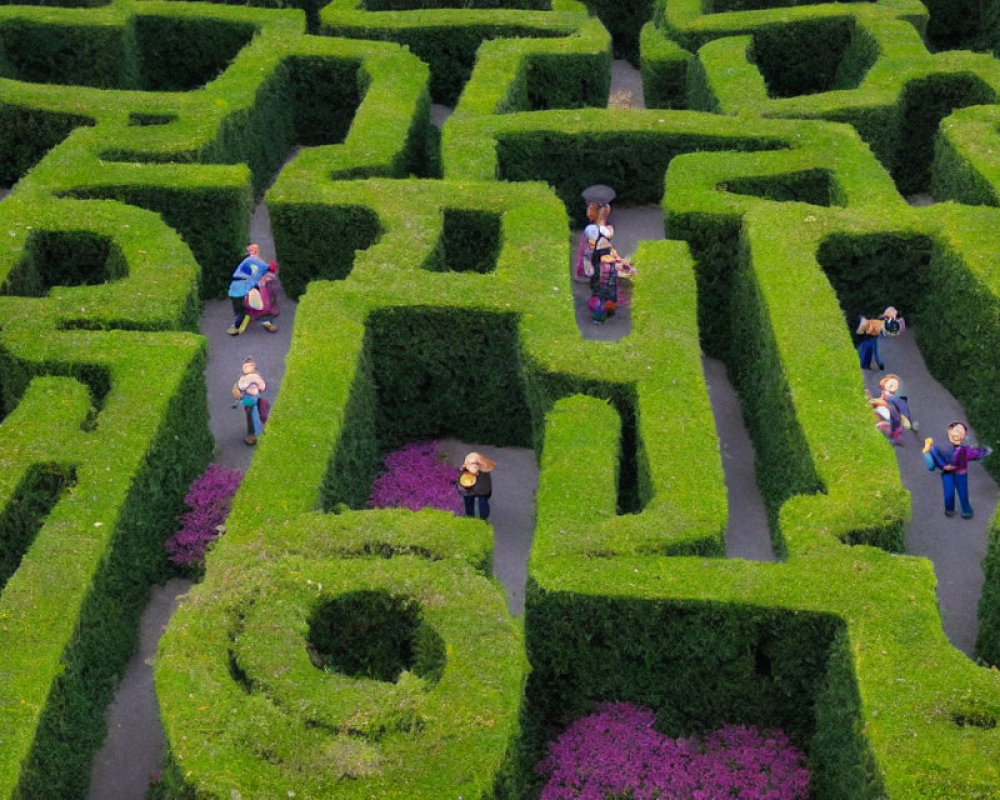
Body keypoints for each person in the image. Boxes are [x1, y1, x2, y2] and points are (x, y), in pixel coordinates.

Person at [923, 421, 992, 518]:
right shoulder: (964, 449)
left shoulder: (939, 444)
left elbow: (934, 453)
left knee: (948, 491)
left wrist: (943, 466)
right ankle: (966, 512)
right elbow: (974, 453)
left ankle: (949, 510)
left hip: (946, 471)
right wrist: (984, 451)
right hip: (960, 472)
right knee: (962, 491)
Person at [227, 244, 269, 335]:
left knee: (238, 305)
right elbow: (263, 268)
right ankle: (236, 325)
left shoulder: (245, 262)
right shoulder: (255, 262)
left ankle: (238, 321)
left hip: (235, 287)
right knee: (243, 307)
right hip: (242, 288)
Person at [232, 358, 267, 445]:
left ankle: (253, 435)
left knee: (252, 415)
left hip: (252, 398)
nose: (246, 368)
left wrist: (251, 383)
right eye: (245, 366)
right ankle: (254, 433)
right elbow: (242, 386)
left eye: (249, 366)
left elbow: (261, 386)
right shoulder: (246, 378)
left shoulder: (253, 377)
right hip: (251, 397)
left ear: (254, 368)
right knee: (251, 414)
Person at [457, 452, 496, 520]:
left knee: (480, 506)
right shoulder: (468, 469)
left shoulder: (483, 472)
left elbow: (482, 487)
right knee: (471, 502)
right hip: (475, 491)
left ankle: (479, 518)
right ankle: (471, 515)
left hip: (479, 492)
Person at [245, 261, 280, 333]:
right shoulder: (271, 277)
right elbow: (274, 290)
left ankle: (252, 315)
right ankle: (267, 322)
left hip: (254, 296)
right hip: (264, 301)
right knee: (266, 307)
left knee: (254, 305)